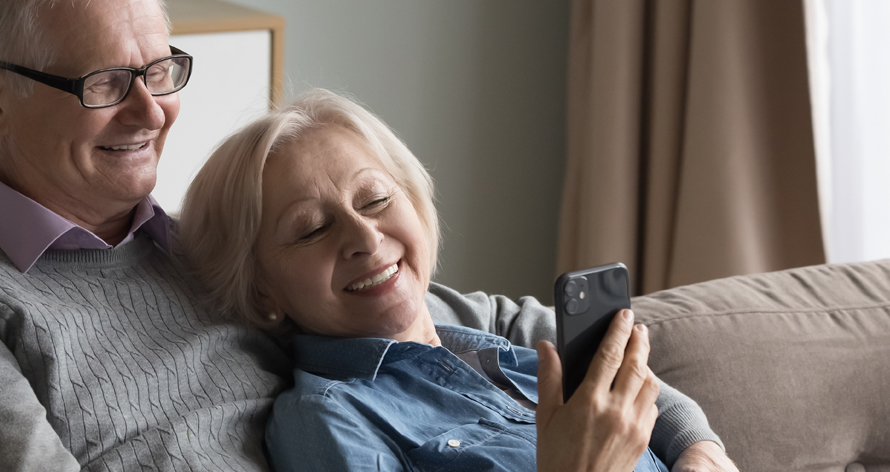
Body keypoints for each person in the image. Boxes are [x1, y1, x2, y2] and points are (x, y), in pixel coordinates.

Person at [0, 0, 741, 470]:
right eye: (107, 84)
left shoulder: (210, 251)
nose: (155, 110)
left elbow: (475, 322)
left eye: (160, 70)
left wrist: (696, 445)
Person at [180, 89, 729, 471]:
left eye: (375, 199)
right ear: (262, 293)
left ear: (417, 205)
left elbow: (661, 407)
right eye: (312, 229)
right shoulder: (327, 419)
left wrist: (699, 452)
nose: (366, 238)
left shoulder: (513, 353)